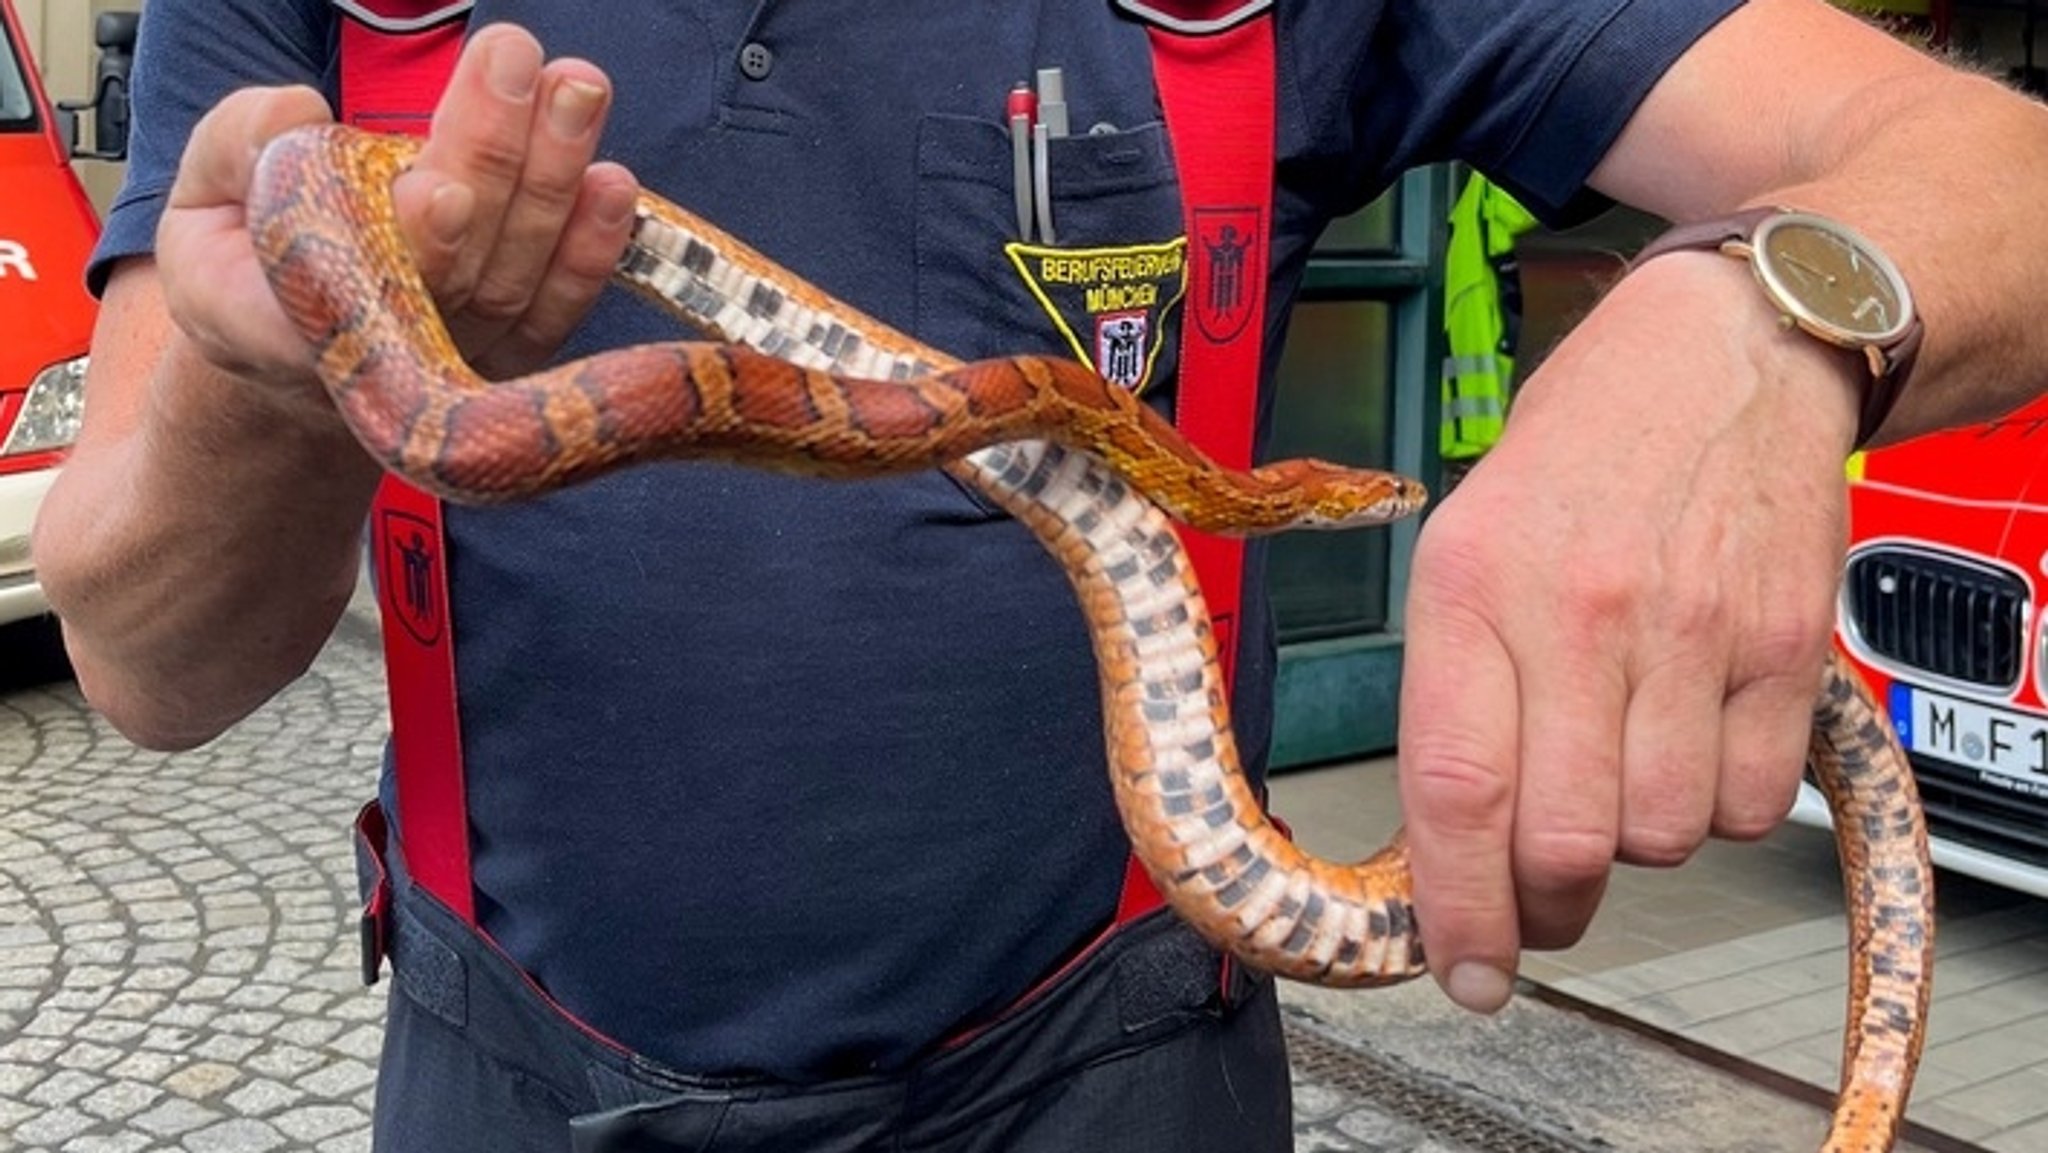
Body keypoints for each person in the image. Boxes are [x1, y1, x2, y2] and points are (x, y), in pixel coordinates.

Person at [29, 0, 2048, 1148]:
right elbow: (138, 653)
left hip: (1109, 1087)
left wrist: (1752, 323)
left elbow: (1996, 164)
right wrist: (279, 365)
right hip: (507, 1075)